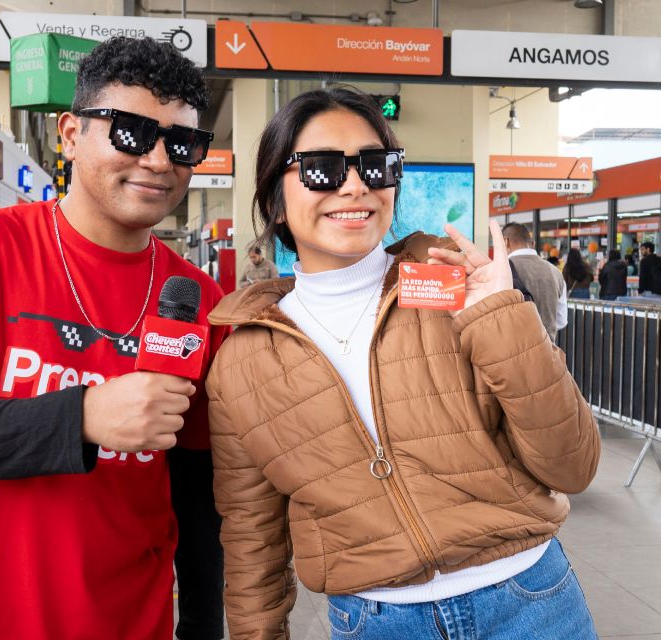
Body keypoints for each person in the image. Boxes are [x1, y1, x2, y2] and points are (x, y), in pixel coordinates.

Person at [205, 88, 599, 639]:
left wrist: (500, 317)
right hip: (374, 621)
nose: (354, 184)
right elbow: (252, 536)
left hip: (529, 602)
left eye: (375, 164)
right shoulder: (243, 359)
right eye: (321, 168)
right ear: (275, 195)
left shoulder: (457, 286)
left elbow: (572, 467)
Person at [0, 37, 225, 640]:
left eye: (182, 143)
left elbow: (199, 500)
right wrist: (84, 416)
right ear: (69, 133)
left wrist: (201, 628)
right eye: (131, 133)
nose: (158, 160)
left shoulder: (201, 298)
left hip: (130, 622)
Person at [502, 222, 567, 341]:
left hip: (512, 353)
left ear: (506, 242)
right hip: (548, 353)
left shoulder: (501, 270)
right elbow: (561, 321)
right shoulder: (556, 272)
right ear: (532, 244)